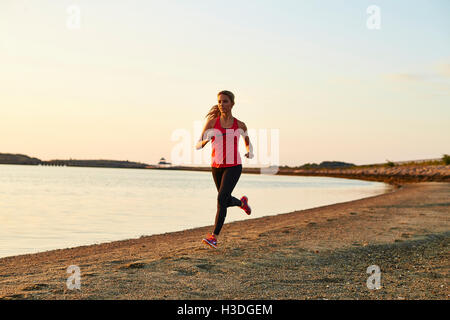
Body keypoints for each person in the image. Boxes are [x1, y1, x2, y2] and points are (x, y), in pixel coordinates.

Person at [195, 90, 254, 249]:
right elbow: (197, 144)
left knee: (221, 199)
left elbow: (247, 141)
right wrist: (205, 142)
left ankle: (214, 236)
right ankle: (241, 203)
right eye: (219, 101)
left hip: (234, 166)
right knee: (225, 199)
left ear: (232, 104)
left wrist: (249, 151)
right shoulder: (212, 123)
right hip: (216, 167)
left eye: (225, 101)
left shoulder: (240, 125)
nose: (222, 104)